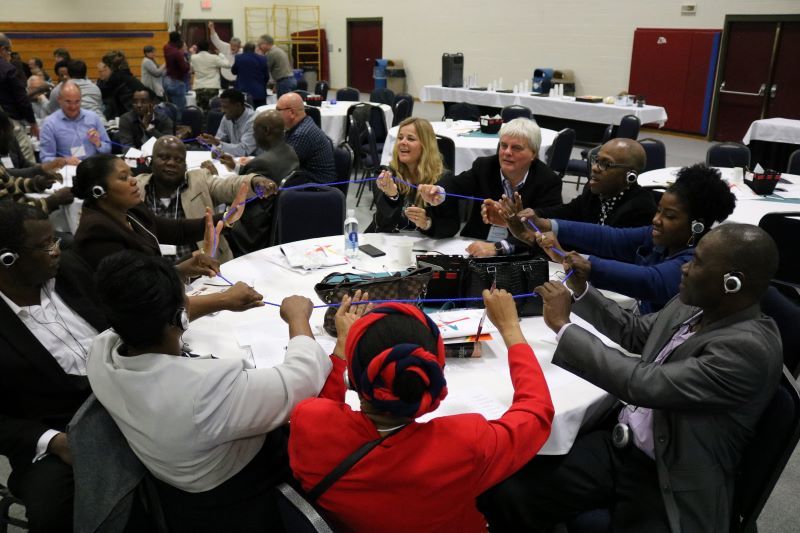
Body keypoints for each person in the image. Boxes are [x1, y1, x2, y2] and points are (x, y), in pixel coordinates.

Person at [480, 224, 783, 533]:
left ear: (732, 282)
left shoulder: (748, 349)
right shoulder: (691, 304)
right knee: (508, 493)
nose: (686, 267)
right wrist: (582, 291)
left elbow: (644, 383)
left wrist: (563, 326)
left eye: (699, 262)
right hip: (620, 446)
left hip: (670, 475)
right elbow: (635, 331)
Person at [0, 203, 260, 533]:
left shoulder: (68, 270)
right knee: (56, 514)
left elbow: (131, 308)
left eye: (55, 240)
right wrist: (52, 441)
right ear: (8, 259)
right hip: (61, 427)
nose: (56, 250)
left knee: (222, 434)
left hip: (132, 383)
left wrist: (180, 274)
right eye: (45, 245)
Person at [87, 250, 333, 532]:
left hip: (173, 483)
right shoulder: (203, 392)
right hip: (237, 493)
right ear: (180, 318)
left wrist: (224, 300)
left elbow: (150, 315)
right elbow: (302, 380)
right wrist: (297, 318)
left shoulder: (99, 354)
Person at [289, 289, 555, 532]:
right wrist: (510, 329)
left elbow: (322, 405)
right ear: (434, 373)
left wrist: (342, 347)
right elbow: (536, 411)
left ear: (354, 378)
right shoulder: (464, 443)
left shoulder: (310, 422)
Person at [504, 164, 736, 313]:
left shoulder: (698, 260)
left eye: (670, 216)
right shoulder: (662, 236)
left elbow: (650, 280)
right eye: (659, 210)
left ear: (697, 225)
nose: (656, 219)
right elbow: (610, 238)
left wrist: (585, 264)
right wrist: (546, 223)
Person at [71, 153, 246, 277]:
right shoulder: (97, 232)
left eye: (131, 174)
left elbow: (177, 230)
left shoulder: (131, 210)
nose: (133, 180)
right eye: (123, 177)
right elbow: (136, 286)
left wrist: (226, 217)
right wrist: (183, 268)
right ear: (99, 191)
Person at [417, 117, 562, 256]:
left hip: (522, 251)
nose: (507, 152)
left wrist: (499, 247)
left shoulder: (548, 181)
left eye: (516, 148)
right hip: (476, 243)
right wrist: (437, 191)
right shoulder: (485, 166)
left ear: (533, 154)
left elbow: (546, 232)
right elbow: (456, 184)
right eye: (503, 146)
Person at [136, 135, 277, 263]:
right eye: (164, 157)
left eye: (178, 159)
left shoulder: (200, 180)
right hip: (153, 273)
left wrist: (255, 181)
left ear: (185, 166)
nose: (171, 163)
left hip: (204, 269)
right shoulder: (136, 188)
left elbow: (229, 185)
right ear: (151, 161)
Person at [369, 117, 460, 237]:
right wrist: (391, 197)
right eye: (400, 138)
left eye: (410, 138)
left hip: (424, 246)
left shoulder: (443, 179)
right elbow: (383, 226)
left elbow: (452, 226)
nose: (402, 142)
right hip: (387, 244)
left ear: (426, 145)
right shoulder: (386, 174)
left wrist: (426, 223)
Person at [39, 80, 111, 164]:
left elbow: (108, 149)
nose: (73, 107)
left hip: (93, 167)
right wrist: (64, 160)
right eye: (68, 102)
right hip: (67, 170)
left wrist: (98, 143)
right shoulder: (50, 123)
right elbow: (45, 158)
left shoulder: (93, 117)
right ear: (59, 100)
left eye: (77, 101)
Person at [276, 92, 336, 183]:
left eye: (278, 110)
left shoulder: (301, 134)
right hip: (308, 181)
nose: (276, 114)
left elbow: (280, 165)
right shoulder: (304, 122)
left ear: (291, 112)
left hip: (318, 190)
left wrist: (254, 162)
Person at [0, 34, 39, 163]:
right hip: (9, 121)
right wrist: (32, 122)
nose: (9, 55)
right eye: (9, 51)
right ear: (3, 50)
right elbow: (22, 99)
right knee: (26, 158)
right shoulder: (8, 69)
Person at [198, 88, 258, 157]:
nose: (222, 111)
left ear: (238, 106)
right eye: (222, 107)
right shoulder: (227, 117)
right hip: (236, 158)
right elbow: (219, 138)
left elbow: (244, 150)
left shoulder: (254, 120)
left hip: (254, 159)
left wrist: (218, 144)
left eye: (225, 107)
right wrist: (213, 145)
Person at [99, 50, 147, 120]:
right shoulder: (126, 77)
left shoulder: (116, 82)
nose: (102, 70)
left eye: (104, 67)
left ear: (109, 68)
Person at [190, 40, 229, 111]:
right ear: (208, 48)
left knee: (202, 110)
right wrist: (221, 54)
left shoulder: (193, 58)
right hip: (212, 87)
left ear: (198, 48)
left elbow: (191, 68)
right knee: (214, 109)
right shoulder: (214, 57)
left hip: (199, 87)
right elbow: (228, 65)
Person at [231, 42, 268, 108]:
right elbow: (266, 76)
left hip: (243, 93)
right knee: (259, 113)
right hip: (259, 92)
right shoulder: (263, 58)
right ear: (254, 49)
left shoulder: (238, 58)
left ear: (244, 48)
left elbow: (234, 71)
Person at [163, 31, 191, 117]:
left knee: (170, 108)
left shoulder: (166, 47)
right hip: (177, 82)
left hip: (167, 79)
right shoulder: (178, 53)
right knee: (180, 110)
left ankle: (171, 127)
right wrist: (187, 62)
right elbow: (185, 68)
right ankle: (179, 128)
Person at [208, 21, 241, 89]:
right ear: (229, 44)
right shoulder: (226, 47)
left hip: (237, 78)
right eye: (232, 45)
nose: (233, 48)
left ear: (239, 46)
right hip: (224, 76)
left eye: (235, 46)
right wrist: (212, 28)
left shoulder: (242, 53)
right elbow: (216, 40)